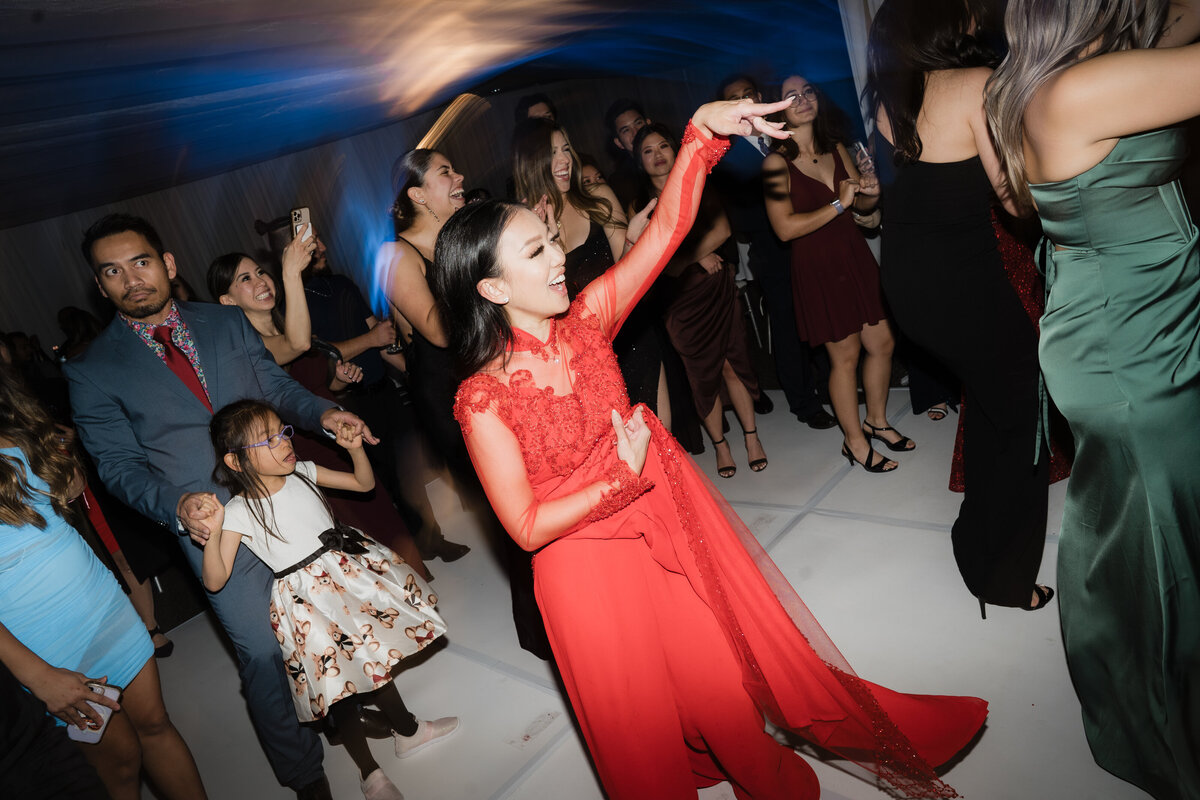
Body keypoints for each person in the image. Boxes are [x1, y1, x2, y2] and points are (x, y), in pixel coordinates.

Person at [434, 97, 988, 800]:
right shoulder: (483, 398)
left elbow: (665, 235)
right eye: (536, 252)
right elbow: (523, 525)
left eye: (551, 242)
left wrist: (700, 135)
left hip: (656, 536)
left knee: (724, 690)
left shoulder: (589, 321)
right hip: (582, 579)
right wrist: (618, 478)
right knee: (642, 743)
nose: (557, 260)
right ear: (491, 287)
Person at [64, 213, 374, 800]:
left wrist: (324, 414)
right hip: (211, 526)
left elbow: (274, 389)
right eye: (112, 271)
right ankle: (305, 776)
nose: (131, 279)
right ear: (99, 285)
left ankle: (348, 719)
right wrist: (177, 504)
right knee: (262, 653)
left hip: (283, 497)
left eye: (141, 262)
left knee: (325, 621)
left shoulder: (225, 320)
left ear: (167, 263)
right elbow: (117, 466)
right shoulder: (91, 369)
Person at [986, 1, 1200, 795]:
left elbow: (1016, 203)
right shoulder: (1082, 90)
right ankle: (1160, 715)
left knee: (1143, 522)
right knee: (1162, 532)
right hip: (1134, 346)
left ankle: (1140, 681)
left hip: (1126, 315)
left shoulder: (1030, 82)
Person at [865, 0, 1052, 615]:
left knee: (992, 405)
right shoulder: (977, 83)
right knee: (1022, 419)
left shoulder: (890, 99)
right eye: (965, 10)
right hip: (965, 288)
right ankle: (1003, 576)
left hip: (908, 289)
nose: (974, 18)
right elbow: (1015, 201)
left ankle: (975, 538)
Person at [201, 399, 457, 800]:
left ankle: (408, 731)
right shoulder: (238, 511)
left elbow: (363, 485)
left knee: (374, 663)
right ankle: (369, 772)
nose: (285, 441)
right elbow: (215, 580)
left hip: (347, 580)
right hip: (306, 605)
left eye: (283, 431)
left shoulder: (303, 472)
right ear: (236, 462)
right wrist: (214, 531)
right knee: (340, 690)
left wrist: (355, 450)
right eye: (268, 439)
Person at [0, 364, 206, 800]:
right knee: (120, 763)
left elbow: (70, 490)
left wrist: (56, 454)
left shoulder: (13, 426)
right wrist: (37, 676)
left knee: (156, 726)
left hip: (104, 606)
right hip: (44, 642)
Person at [763, 77, 911, 473]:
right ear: (778, 110)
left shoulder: (836, 147)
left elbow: (860, 204)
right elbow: (784, 228)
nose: (803, 99)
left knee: (882, 342)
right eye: (791, 96)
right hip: (818, 267)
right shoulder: (774, 165)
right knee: (844, 357)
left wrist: (871, 193)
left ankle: (876, 421)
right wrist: (838, 205)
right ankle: (855, 442)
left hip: (854, 256)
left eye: (808, 91)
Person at [630, 123, 767, 477]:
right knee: (701, 375)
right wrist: (695, 257)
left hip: (715, 287)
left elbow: (723, 229)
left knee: (733, 362)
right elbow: (652, 258)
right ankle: (721, 446)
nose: (658, 155)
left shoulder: (697, 182)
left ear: (675, 149)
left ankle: (752, 438)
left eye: (663, 146)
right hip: (678, 301)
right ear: (639, 161)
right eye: (648, 151)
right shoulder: (639, 206)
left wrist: (690, 257)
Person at [711, 73, 836, 430]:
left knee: (823, 317)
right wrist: (783, 213)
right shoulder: (727, 156)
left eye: (748, 94)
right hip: (773, 250)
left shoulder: (787, 130)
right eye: (735, 99)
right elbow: (741, 218)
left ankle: (831, 386)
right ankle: (804, 403)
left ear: (759, 96)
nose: (745, 103)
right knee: (790, 329)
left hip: (814, 242)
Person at [602, 98, 652, 209]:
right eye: (626, 130)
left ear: (648, 124)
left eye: (638, 123)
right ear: (619, 143)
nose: (636, 132)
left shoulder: (677, 157)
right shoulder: (619, 183)